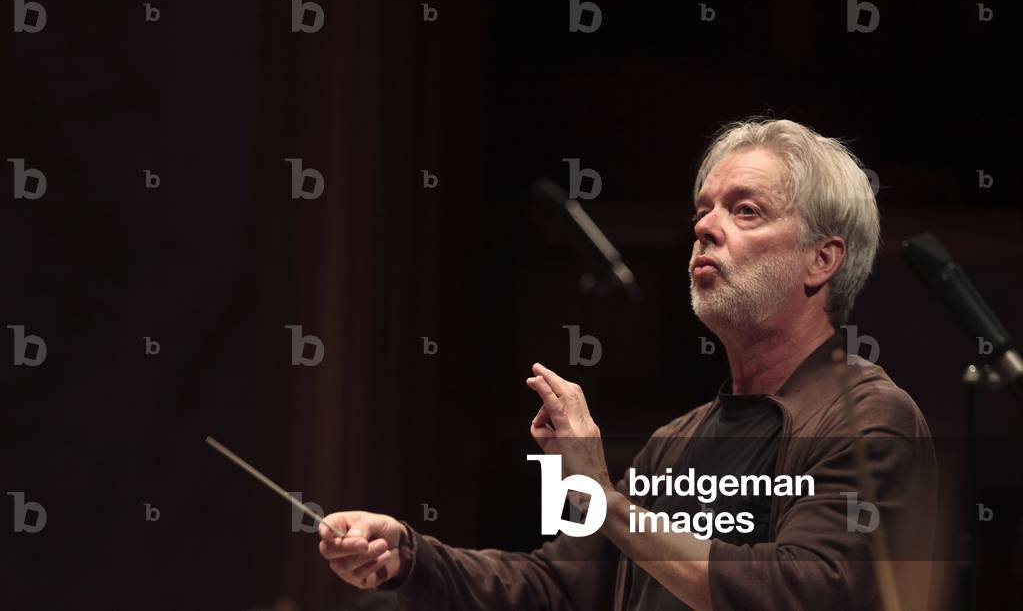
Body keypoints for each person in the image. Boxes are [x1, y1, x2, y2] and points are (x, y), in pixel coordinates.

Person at [317, 118, 937, 610]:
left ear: (821, 260)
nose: (706, 228)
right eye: (703, 210)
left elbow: (799, 593)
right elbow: (554, 590)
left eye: (745, 211)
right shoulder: (675, 443)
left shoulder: (868, 418)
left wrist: (605, 500)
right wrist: (411, 556)